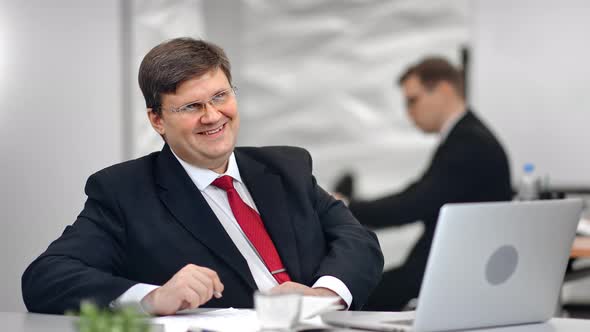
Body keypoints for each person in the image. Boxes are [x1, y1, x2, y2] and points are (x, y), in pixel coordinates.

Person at [22, 37, 384, 315]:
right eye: (192, 106)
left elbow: (358, 240)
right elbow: (46, 278)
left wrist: (323, 297)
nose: (212, 116)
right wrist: (151, 297)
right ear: (157, 119)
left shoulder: (286, 167)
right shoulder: (123, 192)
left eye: (220, 96)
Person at [335, 57, 512, 311]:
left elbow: (414, 203)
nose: (409, 113)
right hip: (453, 267)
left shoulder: (468, 143)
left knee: (351, 300)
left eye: (413, 100)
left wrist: (348, 207)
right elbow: (419, 194)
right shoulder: (467, 136)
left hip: (451, 274)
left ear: (443, 90)